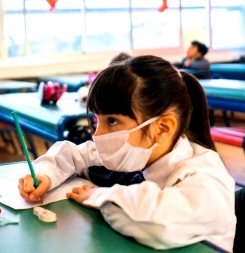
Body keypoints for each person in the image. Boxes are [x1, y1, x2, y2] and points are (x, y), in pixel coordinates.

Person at [18, 55, 236, 251]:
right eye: (97, 120)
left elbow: (159, 222)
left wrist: (98, 196)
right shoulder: (138, 150)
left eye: (112, 121)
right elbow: (73, 154)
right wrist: (45, 174)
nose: (98, 134)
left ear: (162, 128)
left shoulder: (206, 177)